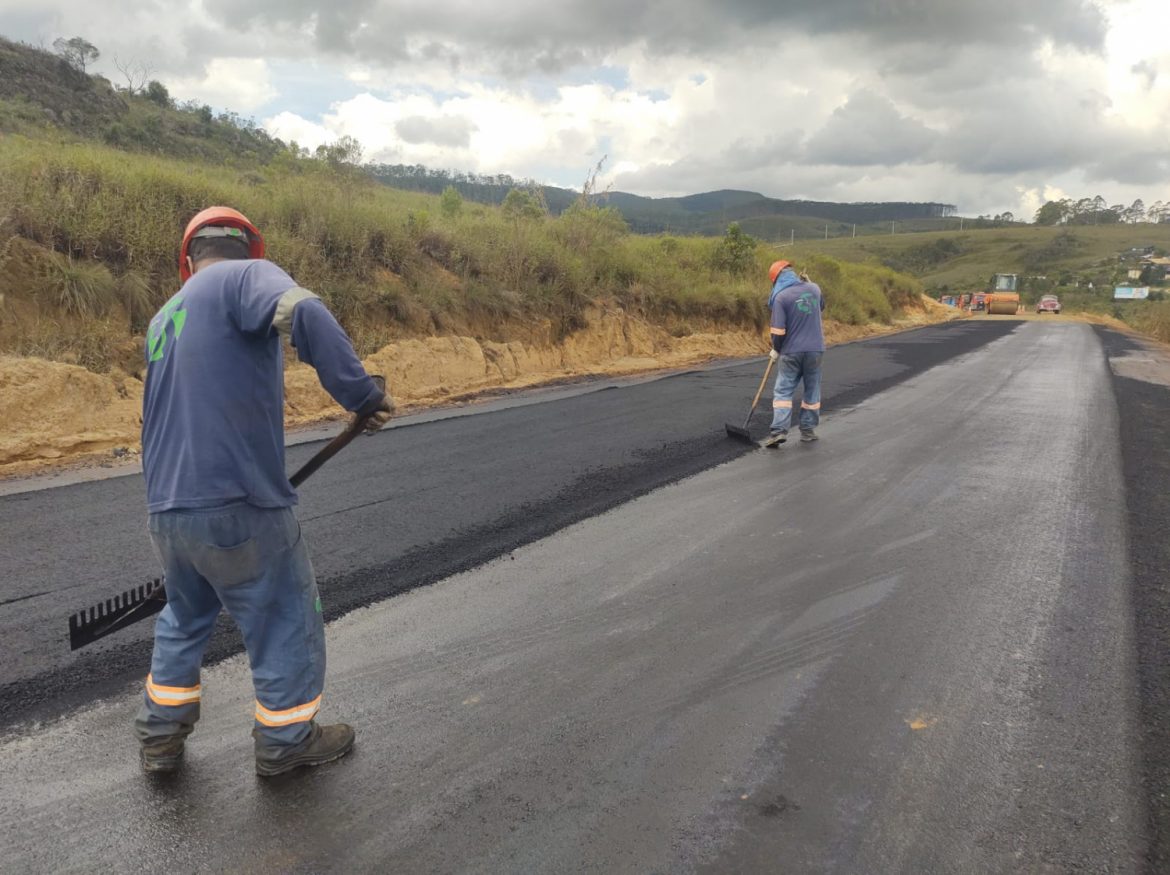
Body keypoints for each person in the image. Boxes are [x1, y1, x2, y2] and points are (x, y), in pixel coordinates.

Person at [135, 206, 394, 776]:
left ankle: (159, 737)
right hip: (240, 500)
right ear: (251, 247)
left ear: (188, 258)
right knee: (283, 612)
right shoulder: (248, 277)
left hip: (167, 509)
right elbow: (305, 311)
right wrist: (361, 395)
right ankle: (287, 741)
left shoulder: (162, 318)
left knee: (182, 616)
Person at [762, 259, 825, 447]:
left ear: (776, 280)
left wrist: (776, 348)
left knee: (783, 390)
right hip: (815, 350)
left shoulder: (780, 297)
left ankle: (779, 431)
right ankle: (807, 431)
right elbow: (820, 306)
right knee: (812, 390)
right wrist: (809, 283)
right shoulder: (814, 288)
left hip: (791, 352)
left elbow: (778, 331)